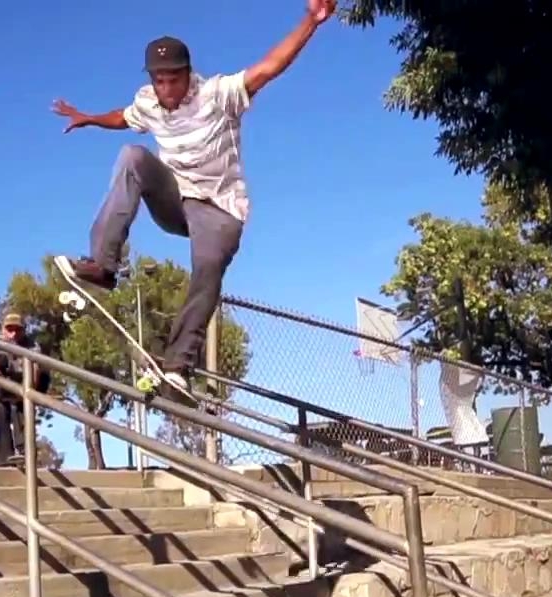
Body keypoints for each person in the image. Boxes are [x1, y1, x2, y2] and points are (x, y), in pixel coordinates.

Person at [50, 0, 338, 398]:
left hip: (220, 209)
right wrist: (89, 118)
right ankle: (103, 265)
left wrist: (311, 22)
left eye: (174, 80)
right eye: (160, 81)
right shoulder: (148, 101)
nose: (167, 90)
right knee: (133, 156)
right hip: (176, 202)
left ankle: (178, 367)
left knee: (207, 266)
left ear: (189, 74)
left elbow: (268, 68)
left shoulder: (218, 94)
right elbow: (124, 116)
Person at [0, 313, 51, 466]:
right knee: (0, 411)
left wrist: (23, 394)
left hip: (31, 382)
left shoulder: (32, 346)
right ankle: (4, 457)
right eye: (10, 330)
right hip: (7, 383)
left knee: (20, 409)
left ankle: (25, 451)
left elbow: (34, 377)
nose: (13, 334)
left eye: (17, 330)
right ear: (3, 330)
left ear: (23, 331)